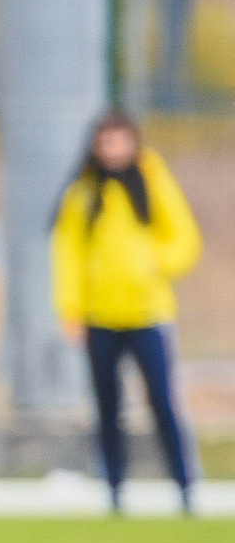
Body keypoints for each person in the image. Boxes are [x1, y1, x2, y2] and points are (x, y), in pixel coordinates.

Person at [51, 109, 203, 515]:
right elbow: (68, 253)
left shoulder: (153, 181)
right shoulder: (83, 192)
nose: (112, 149)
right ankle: (115, 490)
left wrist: (156, 263)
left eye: (119, 140)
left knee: (162, 400)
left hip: (148, 313)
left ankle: (186, 486)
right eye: (105, 141)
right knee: (107, 406)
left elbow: (185, 237)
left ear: (133, 142)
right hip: (100, 316)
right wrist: (71, 309)